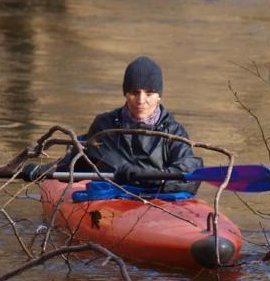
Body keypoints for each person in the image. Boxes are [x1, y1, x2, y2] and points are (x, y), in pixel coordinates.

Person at [23, 56, 203, 194]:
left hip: (157, 201)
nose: (141, 100)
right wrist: (40, 171)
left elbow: (189, 173)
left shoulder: (174, 132)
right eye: (134, 92)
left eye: (149, 93)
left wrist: (148, 177)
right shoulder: (105, 126)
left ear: (159, 96)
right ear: (125, 93)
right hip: (111, 202)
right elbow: (77, 163)